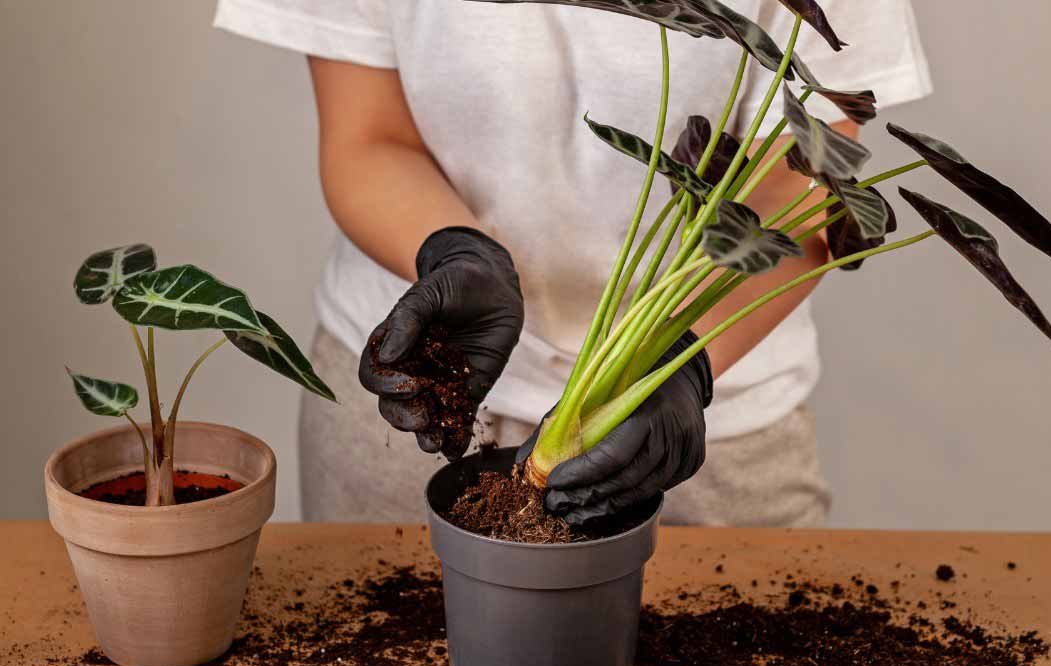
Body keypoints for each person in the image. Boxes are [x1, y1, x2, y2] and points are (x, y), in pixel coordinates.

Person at [214, 0, 932, 526]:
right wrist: (456, 255)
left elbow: (802, 179)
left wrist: (686, 364)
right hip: (419, 382)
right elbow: (366, 135)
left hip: (703, 433)